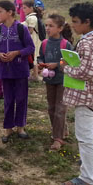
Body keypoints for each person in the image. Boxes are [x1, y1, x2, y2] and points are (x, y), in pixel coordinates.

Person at [60, 2, 93, 185]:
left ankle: (87, 177)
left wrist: (66, 68)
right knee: (89, 132)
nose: (73, 25)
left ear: (87, 22)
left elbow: (86, 71)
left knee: (84, 135)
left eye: (76, 22)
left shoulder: (87, 43)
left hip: (85, 95)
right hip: (92, 93)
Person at [0, 0, 34, 143]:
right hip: (5, 72)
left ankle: (20, 127)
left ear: (10, 12)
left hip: (20, 71)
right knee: (8, 100)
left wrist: (17, 53)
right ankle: (8, 128)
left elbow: (30, 48)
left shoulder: (21, 29)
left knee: (21, 99)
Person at [37, 14, 74, 151]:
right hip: (49, 80)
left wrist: (57, 64)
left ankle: (58, 139)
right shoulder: (45, 43)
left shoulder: (66, 44)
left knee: (60, 109)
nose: (47, 28)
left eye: (51, 26)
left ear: (60, 28)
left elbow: (70, 60)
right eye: (46, 25)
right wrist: (41, 64)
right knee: (51, 107)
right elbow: (40, 57)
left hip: (63, 80)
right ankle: (60, 130)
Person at [21, 0, 43, 81]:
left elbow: (30, 31)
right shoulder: (31, 17)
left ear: (31, 8)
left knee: (34, 57)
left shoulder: (32, 18)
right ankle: (34, 74)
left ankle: (36, 75)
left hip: (34, 39)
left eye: (25, 8)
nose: (23, 10)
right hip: (33, 39)